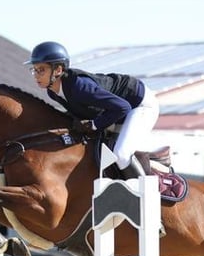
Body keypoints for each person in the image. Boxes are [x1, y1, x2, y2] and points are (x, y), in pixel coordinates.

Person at [24, 41, 161, 179]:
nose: (36, 75)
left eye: (41, 70)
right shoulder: (52, 92)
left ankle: (143, 194)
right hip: (118, 111)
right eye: (34, 69)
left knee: (121, 154)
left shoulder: (80, 86)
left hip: (140, 104)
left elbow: (123, 107)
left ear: (58, 70)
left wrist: (94, 125)